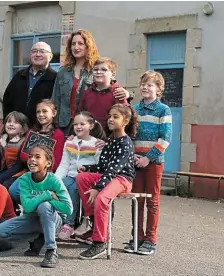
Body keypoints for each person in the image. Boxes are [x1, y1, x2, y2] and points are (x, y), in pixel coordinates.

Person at [75, 104, 138, 260]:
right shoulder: (110, 141)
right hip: (108, 176)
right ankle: (94, 220)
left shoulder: (125, 143)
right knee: (81, 177)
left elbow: (113, 170)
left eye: (115, 117)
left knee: (102, 198)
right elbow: (102, 167)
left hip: (122, 179)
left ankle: (100, 242)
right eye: (109, 116)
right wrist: (87, 168)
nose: (110, 119)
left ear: (125, 121)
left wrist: (97, 187)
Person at [0, 145, 73, 268]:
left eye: (37, 157)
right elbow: (28, 207)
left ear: (48, 163)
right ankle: (37, 236)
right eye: (30, 156)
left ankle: (51, 250)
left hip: (54, 220)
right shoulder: (25, 179)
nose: (32, 159)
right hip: (32, 217)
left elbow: (68, 208)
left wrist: (45, 200)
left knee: (44, 206)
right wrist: (48, 194)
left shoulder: (54, 180)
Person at [124, 70, 172, 255]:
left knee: (152, 201)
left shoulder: (163, 110)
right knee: (137, 201)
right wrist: (134, 157)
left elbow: (165, 139)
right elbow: (128, 135)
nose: (145, 87)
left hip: (153, 163)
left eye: (150, 85)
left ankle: (150, 240)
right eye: (143, 84)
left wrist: (147, 158)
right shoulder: (134, 110)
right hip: (135, 162)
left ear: (158, 89)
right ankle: (137, 237)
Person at [51, 29, 132, 136]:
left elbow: (111, 87)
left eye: (80, 43)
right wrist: (53, 123)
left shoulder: (96, 69)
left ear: (88, 46)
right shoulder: (63, 71)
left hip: (88, 126)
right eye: (73, 44)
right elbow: (55, 99)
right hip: (64, 124)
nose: (76, 47)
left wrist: (129, 94)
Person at [54, 111, 105, 240]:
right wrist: (55, 180)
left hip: (85, 179)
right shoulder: (69, 143)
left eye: (82, 124)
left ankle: (70, 224)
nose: (78, 127)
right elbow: (64, 164)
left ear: (91, 126)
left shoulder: (96, 144)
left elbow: (99, 166)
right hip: (70, 175)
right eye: (76, 124)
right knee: (62, 186)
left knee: (74, 188)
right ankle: (58, 221)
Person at [8, 99, 65, 206]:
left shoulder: (57, 135)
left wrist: (35, 159)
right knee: (13, 191)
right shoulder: (32, 132)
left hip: (46, 175)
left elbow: (56, 161)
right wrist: (39, 159)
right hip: (30, 172)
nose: (41, 114)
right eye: (38, 112)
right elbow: (23, 155)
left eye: (44, 111)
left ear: (54, 113)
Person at [2, 41, 57, 127]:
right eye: (34, 51)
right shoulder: (19, 75)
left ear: (50, 56)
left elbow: (57, 105)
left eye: (42, 51)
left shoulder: (55, 78)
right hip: (17, 128)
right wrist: (8, 122)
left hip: (41, 130)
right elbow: (7, 100)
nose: (38, 54)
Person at [78, 57, 127, 131]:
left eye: (103, 70)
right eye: (95, 69)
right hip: (89, 136)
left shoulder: (118, 93)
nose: (98, 72)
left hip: (110, 137)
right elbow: (80, 115)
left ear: (112, 74)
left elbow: (123, 119)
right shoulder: (87, 92)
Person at [0, 111, 30, 190]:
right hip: (2, 171)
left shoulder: (23, 142)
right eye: (9, 121)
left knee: (5, 185)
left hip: (18, 173)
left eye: (15, 122)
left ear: (22, 127)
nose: (11, 124)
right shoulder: (1, 140)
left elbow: (19, 166)